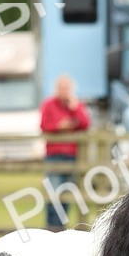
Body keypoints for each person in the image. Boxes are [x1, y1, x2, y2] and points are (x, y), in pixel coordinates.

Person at [39, 75, 90, 228]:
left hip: (71, 155)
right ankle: (52, 227)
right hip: (54, 155)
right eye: (62, 88)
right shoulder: (48, 104)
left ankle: (61, 226)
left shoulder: (76, 105)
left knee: (67, 192)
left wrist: (75, 109)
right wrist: (59, 126)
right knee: (53, 192)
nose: (64, 91)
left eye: (67, 88)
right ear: (56, 89)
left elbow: (85, 124)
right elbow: (44, 126)